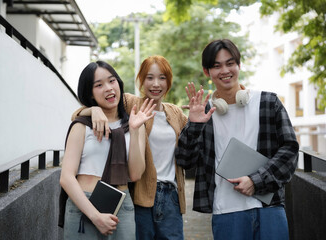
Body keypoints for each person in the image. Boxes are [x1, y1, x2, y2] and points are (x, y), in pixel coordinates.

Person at [73, 56, 209, 239]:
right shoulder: (130, 103)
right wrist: (93, 110)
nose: (156, 84)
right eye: (149, 77)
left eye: (162, 78)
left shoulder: (175, 113)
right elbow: (78, 114)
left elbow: (189, 152)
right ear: (141, 80)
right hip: (141, 195)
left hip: (171, 197)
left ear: (168, 81)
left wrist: (194, 122)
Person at [175, 39, 299, 240]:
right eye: (217, 66)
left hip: (269, 207)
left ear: (238, 66)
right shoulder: (204, 113)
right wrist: (194, 125)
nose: (225, 70)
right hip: (226, 213)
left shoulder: (267, 102)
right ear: (207, 72)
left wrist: (256, 181)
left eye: (230, 63)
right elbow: (184, 161)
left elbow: (290, 150)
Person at [60, 60, 156, 239]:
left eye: (112, 81)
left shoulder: (134, 124)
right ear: (90, 92)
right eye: (99, 85)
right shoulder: (82, 125)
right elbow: (66, 177)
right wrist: (95, 216)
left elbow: (135, 175)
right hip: (84, 203)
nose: (108, 88)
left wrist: (134, 132)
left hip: (122, 205)